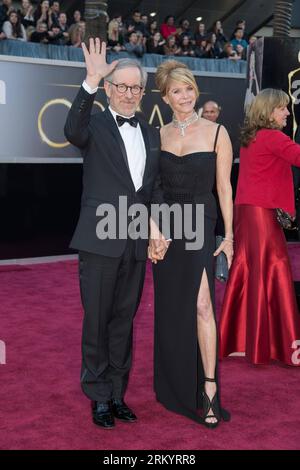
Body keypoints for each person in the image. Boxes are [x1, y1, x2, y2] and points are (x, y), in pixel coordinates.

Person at [64, 38, 166, 429]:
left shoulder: (150, 132)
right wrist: (89, 80)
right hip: (98, 239)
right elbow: (71, 129)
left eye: (134, 87)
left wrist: (158, 228)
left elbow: (151, 189)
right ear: (109, 89)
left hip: (136, 241)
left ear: (143, 92)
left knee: (124, 319)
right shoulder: (94, 123)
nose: (127, 93)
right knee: (98, 320)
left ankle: (118, 393)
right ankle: (98, 396)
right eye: (120, 86)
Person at [149, 60, 233, 428]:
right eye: (176, 91)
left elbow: (225, 188)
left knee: (201, 305)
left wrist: (229, 235)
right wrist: (152, 229)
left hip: (201, 220)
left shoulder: (217, 132)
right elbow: (153, 188)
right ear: (166, 97)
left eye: (188, 88)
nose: (184, 96)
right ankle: (175, 383)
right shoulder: (159, 135)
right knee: (171, 305)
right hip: (168, 226)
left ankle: (210, 388)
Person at [219, 88, 300, 366]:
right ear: (268, 111)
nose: (287, 112)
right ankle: (277, 345)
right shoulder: (274, 137)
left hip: (249, 211)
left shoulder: (253, 138)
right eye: (282, 108)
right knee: (273, 268)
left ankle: (246, 341)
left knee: (251, 269)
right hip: (260, 214)